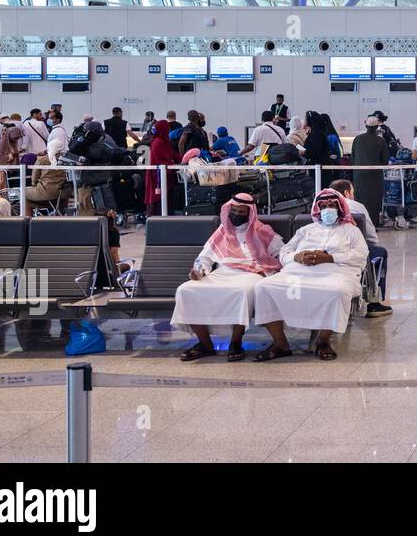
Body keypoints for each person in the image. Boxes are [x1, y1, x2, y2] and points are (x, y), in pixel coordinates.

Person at [253, 189, 368, 361]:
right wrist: (296, 256)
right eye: (324, 206)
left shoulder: (351, 230)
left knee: (337, 291)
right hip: (298, 272)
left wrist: (329, 258)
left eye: (331, 206)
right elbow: (285, 252)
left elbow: (361, 254)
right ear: (317, 209)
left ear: (340, 208)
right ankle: (280, 343)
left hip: (335, 272)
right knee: (263, 287)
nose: (328, 209)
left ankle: (323, 341)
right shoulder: (306, 230)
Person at [173, 193, 283, 362]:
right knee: (185, 290)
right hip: (222, 273)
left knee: (241, 292)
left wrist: (269, 274)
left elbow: (282, 254)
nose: (236, 215)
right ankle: (205, 344)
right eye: (234, 211)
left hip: (252, 274)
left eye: (241, 212)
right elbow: (204, 258)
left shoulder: (262, 231)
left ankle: (236, 342)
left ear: (250, 213)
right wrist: (199, 271)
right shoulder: (223, 231)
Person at [329, 179, 392, 318]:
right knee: (380, 253)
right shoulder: (356, 206)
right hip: (352, 252)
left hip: (326, 251)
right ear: (347, 192)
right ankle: (374, 303)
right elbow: (370, 235)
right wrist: (373, 247)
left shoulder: (320, 206)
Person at [350, 116, 390, 222]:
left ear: (366, 125)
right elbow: (385, 160)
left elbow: (352, 157)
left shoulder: (358, 139)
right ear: (377, 127)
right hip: (375, 175)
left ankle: (359, 221)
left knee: (359, 197)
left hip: (359, 174)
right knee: (374, 199)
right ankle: (373, 222)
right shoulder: (381, 141)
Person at [144, 119, 178, 215]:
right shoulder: (158, 143)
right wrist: (172, 165)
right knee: (158, 200)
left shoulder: (163, 142)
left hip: (162, 176)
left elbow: (172, 155)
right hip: (157, 178)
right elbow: (159, 161)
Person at [0, 125, 25, 196]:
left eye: (18, 138)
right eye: (15, 138)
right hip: (2, 173)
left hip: (12, 172)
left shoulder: (13, 143)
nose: (16, 140)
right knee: (2, 194)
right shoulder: (0, 144)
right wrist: (11, 156)